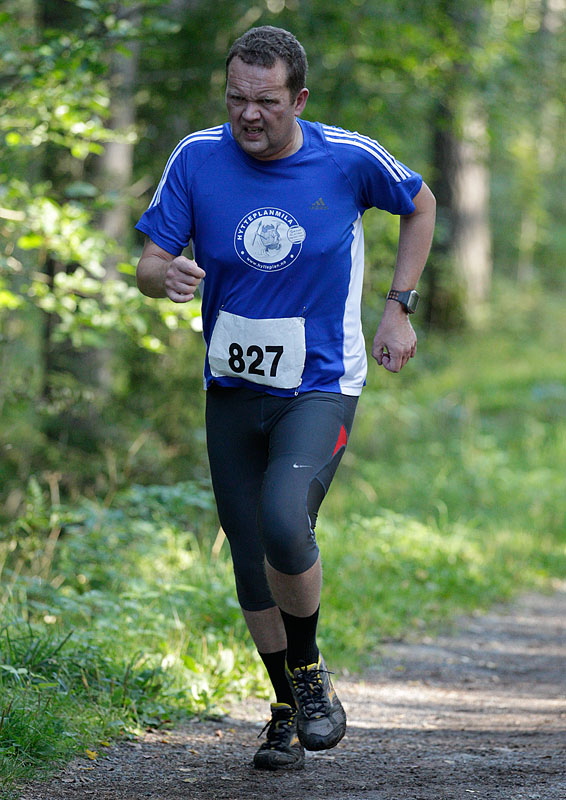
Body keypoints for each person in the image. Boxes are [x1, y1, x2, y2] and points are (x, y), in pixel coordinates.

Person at [135, 25, 436, 771]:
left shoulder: (348, 158)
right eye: (236, 97)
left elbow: (421, 203)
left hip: (321, 384)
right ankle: (286, 710)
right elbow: (148, 262)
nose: (249, 114)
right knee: (248, 559)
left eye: (266, 101)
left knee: (282, 520)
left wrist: (399, 306)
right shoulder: (196, 157)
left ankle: (306, 671)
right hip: (232, 387)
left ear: (299, 99)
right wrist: (163, 276)